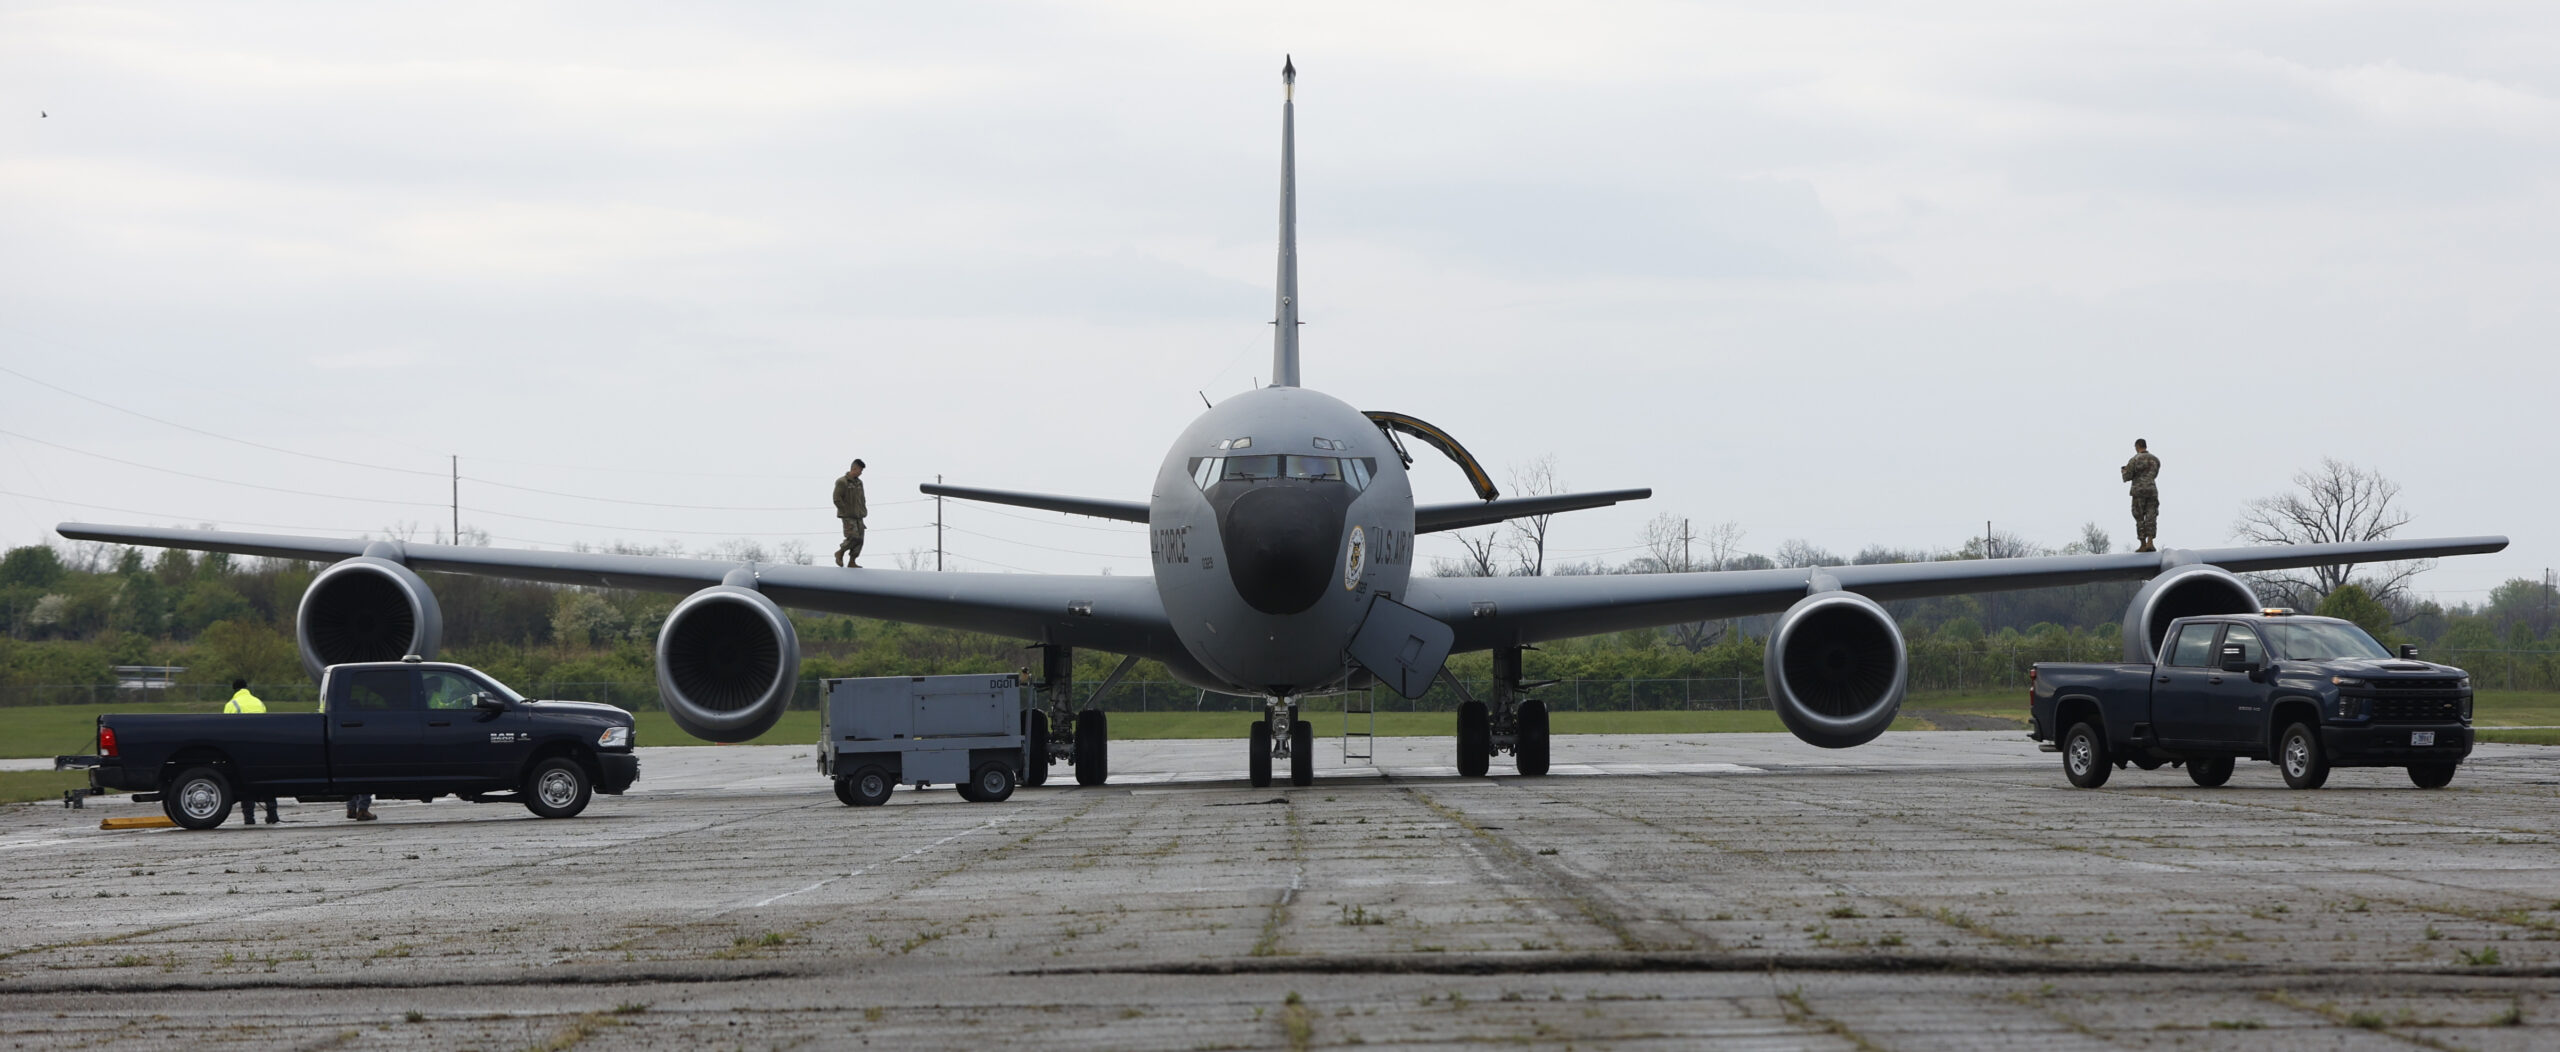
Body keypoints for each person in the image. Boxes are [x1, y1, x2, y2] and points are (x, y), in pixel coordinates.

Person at [221, 679, 279, 825]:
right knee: (266, 782)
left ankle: (249, 818)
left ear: (234, 689)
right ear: (246, 688)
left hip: (243, 749)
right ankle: (272, 814)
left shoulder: (231, 705)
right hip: (262, 747)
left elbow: (226, 729)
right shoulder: (258, 702)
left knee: (246, 783)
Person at [2121, 438, 2161, 553]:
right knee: (2151, 515)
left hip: (2138, 491)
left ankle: (2143, 544)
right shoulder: (2156, 460)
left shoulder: (2135, 459)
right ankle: (2150, 542)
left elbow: (2127, 476)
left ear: (2138, 446)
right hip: (2152, 489)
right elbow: (2155, 474)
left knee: (2139, 516)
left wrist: (2124, 471)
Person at [832, 458, 868, 568]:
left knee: (860, 539)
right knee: (853, 537)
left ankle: (852, 561)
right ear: (854, 468)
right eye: (860, 470)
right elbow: (836, 498)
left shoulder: (859, 483)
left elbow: (862, 498)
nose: (861, 473)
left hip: (859, 516)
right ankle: (840, 552)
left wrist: (863, 510)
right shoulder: (842, 482)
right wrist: (845, 511)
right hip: (848, 516)